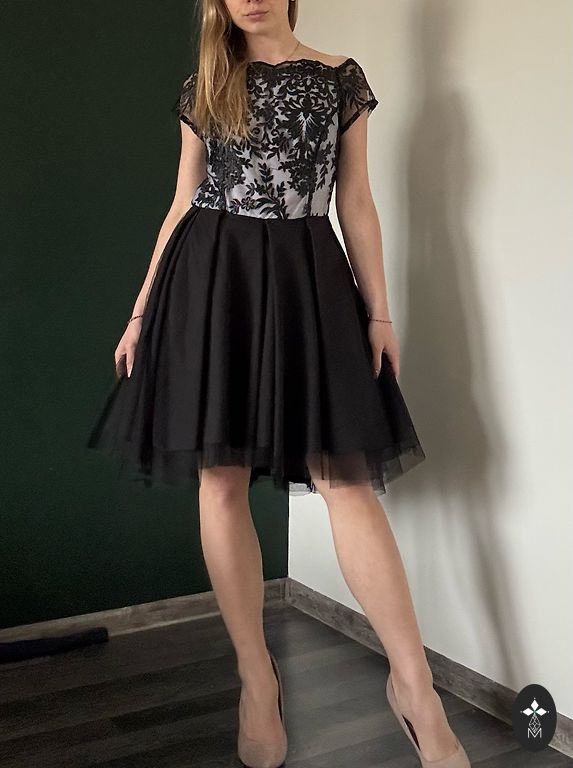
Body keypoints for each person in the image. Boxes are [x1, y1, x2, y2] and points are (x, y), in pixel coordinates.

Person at [87, 1, 470, 767]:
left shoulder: (339, 79)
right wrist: (140, 311)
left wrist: (379, 313)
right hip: (212, 280)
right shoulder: (204, 83)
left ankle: (414, 686)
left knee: (345, 480)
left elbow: (354, 202)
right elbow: (182, 202)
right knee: (219, 479)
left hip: (307, 279)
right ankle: (256, 679)